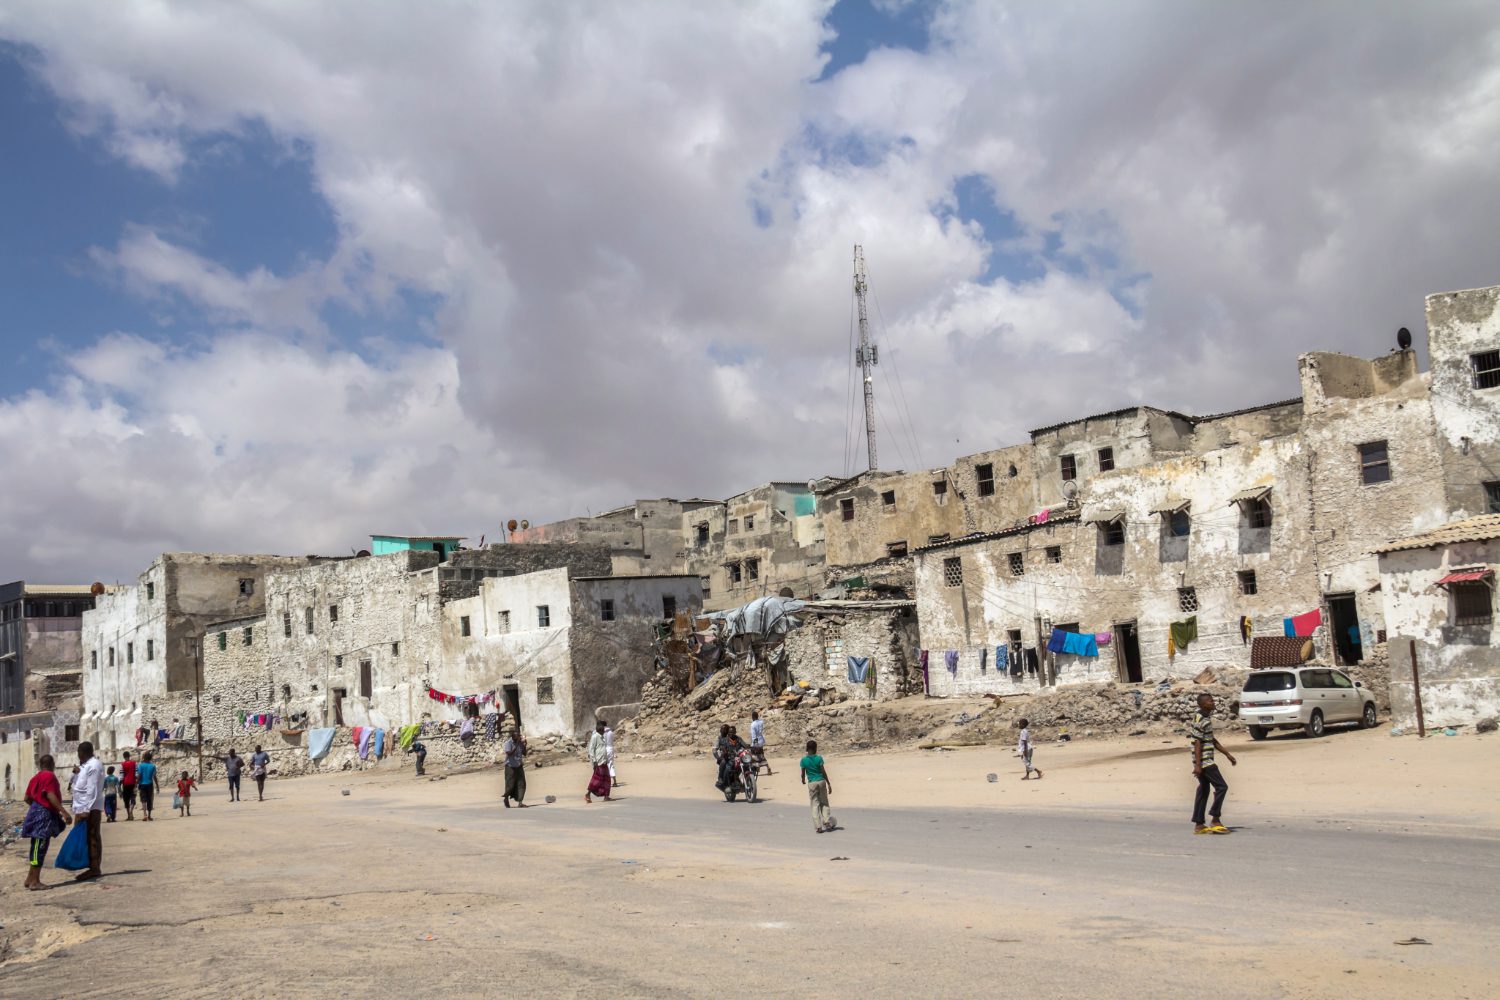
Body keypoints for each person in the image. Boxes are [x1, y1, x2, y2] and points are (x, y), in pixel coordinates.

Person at [21, 754, 71, 890]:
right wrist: (64, 812)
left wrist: (36, 806)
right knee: (40, 848)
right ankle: (35, 882)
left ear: (40, 764)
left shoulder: (35, 778)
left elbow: (26, 798)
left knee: (36, 847)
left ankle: (29, 878)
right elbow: (50, 795)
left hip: (35, 813)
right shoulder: (49, 776)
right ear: (52, 764)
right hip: (43, 817)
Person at [1190, 693, 1237, 835]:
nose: (1213, 702)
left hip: (1203, 760)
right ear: (1203, 704)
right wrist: (1198, 765)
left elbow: (1211, 739)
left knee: (1204, 789)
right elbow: (1197, 742)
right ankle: (1215, 819)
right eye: (1210, 701)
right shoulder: (1200, 719)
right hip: (1204, 761)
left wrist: (1227, 754)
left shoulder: (1205, 718)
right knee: (1222, 787)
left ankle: (1199, 824)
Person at [71, 741, 105, 881]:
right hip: (81, 807)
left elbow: (92, 789)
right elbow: (80, 784)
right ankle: (90, 865)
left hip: (90, 808)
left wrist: (86, 810)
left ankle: (94, 868)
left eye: (79, 753)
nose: (78, 756)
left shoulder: (94, 765)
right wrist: (78, 773)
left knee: (92, 837)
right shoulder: (86, 766)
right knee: (86, 837)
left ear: (83, 753)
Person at [800, 739, 835, 833]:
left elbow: (803, 773)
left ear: (807, 749)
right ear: (815, 748)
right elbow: (823, 771)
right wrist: (828, 783)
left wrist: (803, 780)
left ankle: (818, 827)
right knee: (824, 802)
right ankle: (827, 821)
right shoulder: (819, 758)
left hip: (812, 783)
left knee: (814, 804)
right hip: (821, 781)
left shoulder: (803, 760)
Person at [585, 720, 612, 803]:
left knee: (607, 779)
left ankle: (606, 796)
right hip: (598, 762)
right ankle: (588, 794)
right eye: (602, 731)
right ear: (599, 730)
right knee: (597, 780)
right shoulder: (595, 737)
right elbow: (591, 750)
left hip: (604, 761)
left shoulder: (602, 737)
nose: (604, 732)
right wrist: (594, 761)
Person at [502, 727, 527, 808]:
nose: (519, 737)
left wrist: (524, 745)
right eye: (517, 736)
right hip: (510, 766)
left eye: (519, 735)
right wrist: (516, 744)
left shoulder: (520, 743)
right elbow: (509, 753)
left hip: (519, 765)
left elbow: (524, 753)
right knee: (510, 784)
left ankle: (520, 802)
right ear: (513, 736)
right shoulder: (508, 743)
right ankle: (506, 798)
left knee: (521, 783)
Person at [137, 750, 159, 821]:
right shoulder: (153, 766)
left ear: (143, 757)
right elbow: (154, 777)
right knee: (149, 800)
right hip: (150, 784)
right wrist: (157, 786)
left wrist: (136, 783)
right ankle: (149, 815)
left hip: (142, 784)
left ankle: (144, 814)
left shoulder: (140, 766)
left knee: (143, 800)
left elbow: (139, 775)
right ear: (150, 758)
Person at [120, 750, 138, 821]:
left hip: (125, 783)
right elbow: (136, 774)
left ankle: (128, 815)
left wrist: (120, 783)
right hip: (133, 783)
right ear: (129, 756)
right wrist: (136, 782)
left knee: (126, 799)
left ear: (124, 757)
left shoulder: (122, 764)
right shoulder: (134, 763)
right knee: (133, 797)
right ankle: (131, 811)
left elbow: (121, 775)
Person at [603, 720, 617, 788]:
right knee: (611, 764)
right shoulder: (611, 732)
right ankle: (614, 781)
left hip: (604, 749)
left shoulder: (601, 733)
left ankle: (605, 781)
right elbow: (612, 741)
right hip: (611, 749)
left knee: (604, 765)